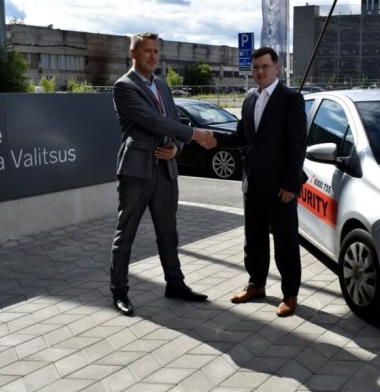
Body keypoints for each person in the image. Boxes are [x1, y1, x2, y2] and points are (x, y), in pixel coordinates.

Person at [110, 32, 215, 316]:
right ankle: (119, 292)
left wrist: (177, 148)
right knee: (126, 233)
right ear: (133, 54)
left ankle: (175, 284)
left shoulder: (163, 87)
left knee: (168, 232)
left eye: (156, 51)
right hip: (137, 170)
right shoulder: (124, 87)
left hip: (166, 169)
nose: (153, 56)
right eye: (147, 51)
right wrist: (195, 134)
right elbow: (153, 120)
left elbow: (174, 122)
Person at [214, 47, 307, 317]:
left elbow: (297, 146)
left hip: (280, 187)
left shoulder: (291, 99)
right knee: (253, 238)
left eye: (265, 66)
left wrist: (290, 185)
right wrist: (210, 138)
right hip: (252, 183)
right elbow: (241, 137)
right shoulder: (249, 100)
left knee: (285, 241)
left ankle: (290, 294)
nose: (260, 72)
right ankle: (256, 284)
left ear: (277, 68)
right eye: (255, 67)